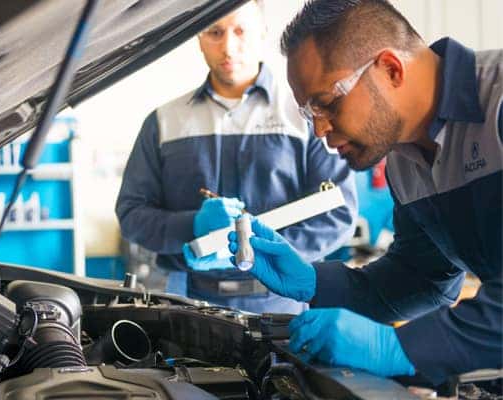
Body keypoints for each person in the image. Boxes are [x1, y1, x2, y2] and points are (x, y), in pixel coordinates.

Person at [229, 0, 502, 384]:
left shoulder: (499, 106)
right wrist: (315, 281)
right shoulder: (405, 164)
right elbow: (421, 278)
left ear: (390, 68)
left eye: (326, 103)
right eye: (309, 114)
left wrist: (399, 348)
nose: (320, 130)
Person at [116, 0, 357, 314]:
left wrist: (260, 253)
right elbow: (132, 214)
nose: (228, 46)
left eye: (241, 31)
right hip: (185, 300)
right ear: (198, 38)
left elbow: (338, 214)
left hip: (281, 299)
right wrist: (192, 226)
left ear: (262, 33)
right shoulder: (163, 122)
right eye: (214, 32)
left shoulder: (305, 117)